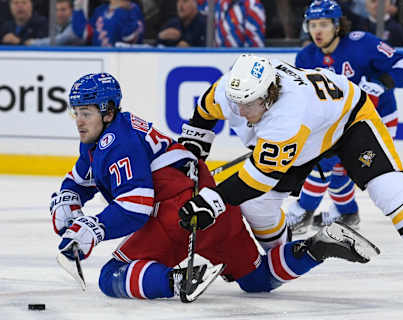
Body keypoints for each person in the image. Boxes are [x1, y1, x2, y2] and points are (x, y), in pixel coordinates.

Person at [51, 72, 379, 301]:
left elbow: (136, 207)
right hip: (212, 205)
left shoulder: (116, 142)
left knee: (111, 277)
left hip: (177, 218)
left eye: (86, 113)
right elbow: (83, 176)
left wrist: (92, 227)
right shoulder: (112, 132)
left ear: (107, 112)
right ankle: (319, 246)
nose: (79, 120)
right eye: (76, 113)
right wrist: (69, 196)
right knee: (257, 280)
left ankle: (177, 280)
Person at [177, 53, 403, 295]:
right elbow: (202, 116)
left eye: (249, 103)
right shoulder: (231, 91)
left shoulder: (287, 115)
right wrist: (193, 157)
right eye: (236, 101)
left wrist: (212, 200)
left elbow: (257, 179)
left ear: (270, 94)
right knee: (257, 207)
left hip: (348, 122)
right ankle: (281, 256)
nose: (239, 110)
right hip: (306, 134)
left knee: (389, 189)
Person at [287, 0, 403, 232]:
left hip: (376, 120)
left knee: (329, 163)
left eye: (324, 24)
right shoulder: (305, 58)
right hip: (340, 122)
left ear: (338, 26)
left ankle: (303, 211)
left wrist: (381, 83)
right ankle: (348, 214)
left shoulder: (362, 43)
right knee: (335, 171)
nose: (317, 30)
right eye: (313, 24)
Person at [71, 0, 144, 46]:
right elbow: (86, 34)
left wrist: (123, 10)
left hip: (122, 62)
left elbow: (130, 37)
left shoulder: (132, 9)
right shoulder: (100, 10)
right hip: (100, 60)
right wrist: (78, 8)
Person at [197, 0, 266, 47]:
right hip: (214, 60)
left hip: (241, 62)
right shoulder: (213, 3)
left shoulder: (252, 5)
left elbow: (256, 46)